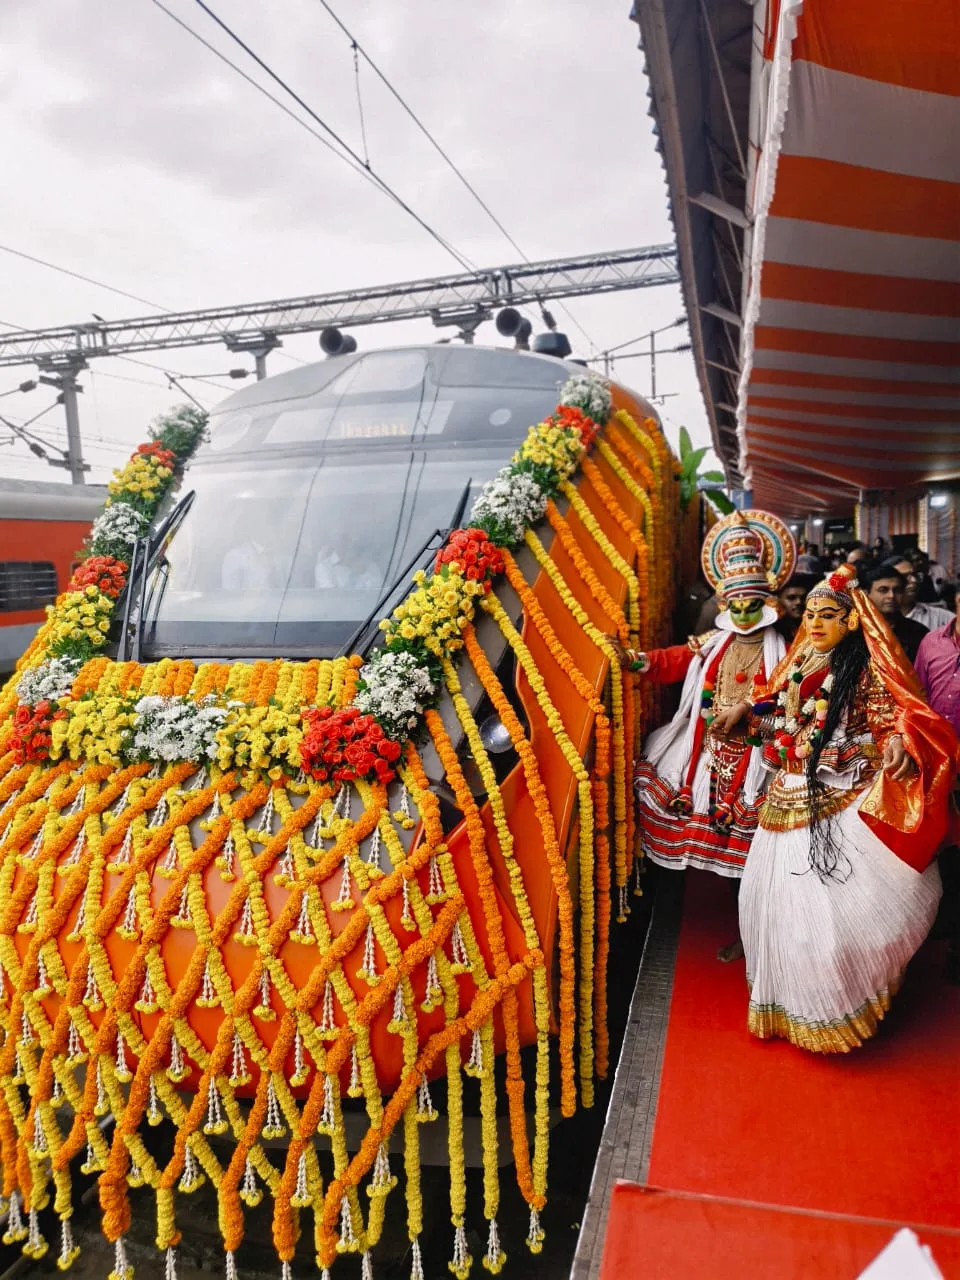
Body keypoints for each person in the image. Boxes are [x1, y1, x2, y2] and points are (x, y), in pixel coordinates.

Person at [733, 564, 959, 1052]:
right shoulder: (800, 659)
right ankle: (786, 1003)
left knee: (831, 918)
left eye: (828, 616)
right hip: (787, 793)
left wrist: (899, 741)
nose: (814, 623)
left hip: (837, 796)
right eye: (811, 614)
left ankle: (831, 1009)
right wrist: (748, 714)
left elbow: (892, 713)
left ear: (852, 620)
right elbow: (777, 711)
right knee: (766, 904)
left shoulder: (862, 668)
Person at [619, 510, 795, 960]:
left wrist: (748, 710)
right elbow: (675, 660)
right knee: (722, 844)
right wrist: (636, 661)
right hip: (708, 754)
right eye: (733, 607)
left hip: (762, 765)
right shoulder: (714, 643)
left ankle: (753, 934)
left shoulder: (789, 650)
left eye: (749, 606)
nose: (741, 614)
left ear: (766, 602)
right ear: (723, 605)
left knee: (760, 856)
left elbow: (794, 699)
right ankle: (730, 921)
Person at [916, 595, 960, 983]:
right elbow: (918, 699)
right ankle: (940, 925)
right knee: (938, 849)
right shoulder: (932, 643)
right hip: (934, 767)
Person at [863, 561, 928, 664]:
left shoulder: (918, 633)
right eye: (883, 590)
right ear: (867, 594)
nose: (891, 596)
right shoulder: (854, 632)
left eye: (897, 590)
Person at [888, 555, 953, 631]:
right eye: (904, 576)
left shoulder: (940, 617)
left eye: (915, 575)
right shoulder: (875, 620)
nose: (914, 580)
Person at [776, 572, 817, 646]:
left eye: (803, 598)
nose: (799, 602)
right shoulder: (772, 631)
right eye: (791, 598)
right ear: (779, 599)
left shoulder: (816, 626)